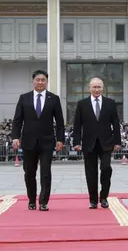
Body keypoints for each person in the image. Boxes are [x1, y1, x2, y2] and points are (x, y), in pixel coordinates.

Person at [11, 70, 65, 211]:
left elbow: (60, 122)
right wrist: (15, 137)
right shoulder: (24, 98)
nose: (40, 82)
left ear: (46, 82)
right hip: (29, 141)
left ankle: (43, 201)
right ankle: (31, 199)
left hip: (47, 141)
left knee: (46, 172)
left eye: (43, 80)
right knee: (29, 172)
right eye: (38, 80)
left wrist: (60, 139)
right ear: (33, 81)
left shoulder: (54, 99)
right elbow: (17, 120)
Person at [72, 77, 122, 209]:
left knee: (106, 169)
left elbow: (116, 124)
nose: (96, 89)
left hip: (106, 143)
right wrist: (76, 142)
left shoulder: (110, 103)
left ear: (103, 88)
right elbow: (77, 125)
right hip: (88, 143)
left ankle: (104, 197)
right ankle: (93, 200)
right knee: (90, 172)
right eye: (94, 87)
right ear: (89, 88)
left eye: (99, 87)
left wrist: (117, 141)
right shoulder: (82, 104)